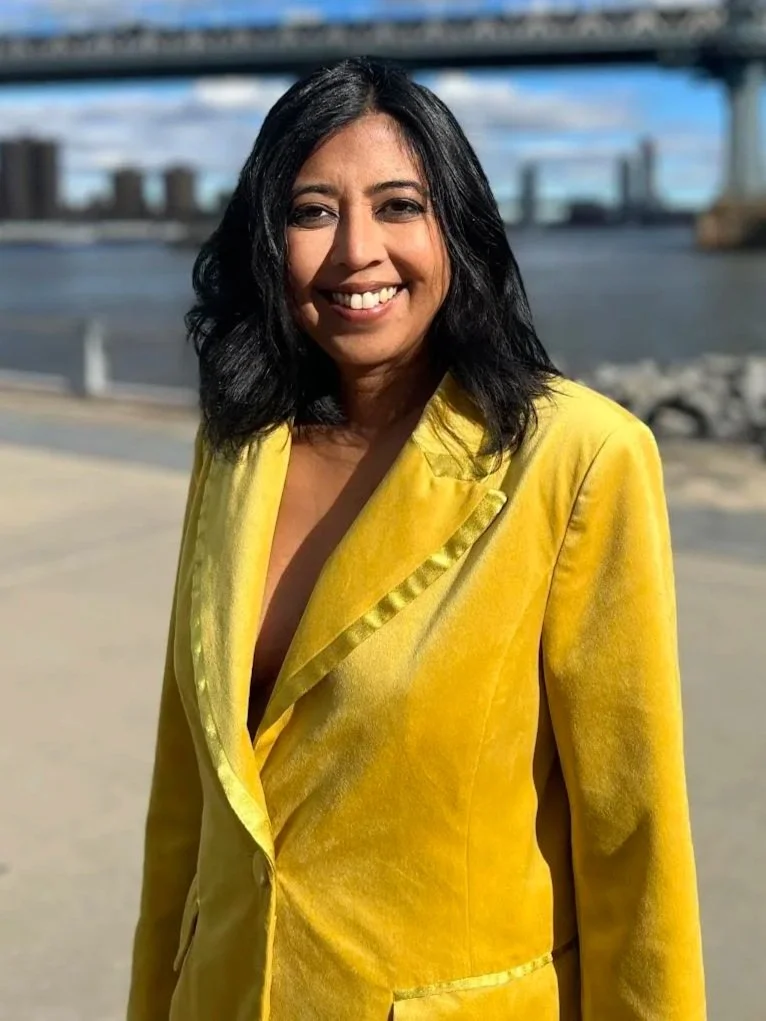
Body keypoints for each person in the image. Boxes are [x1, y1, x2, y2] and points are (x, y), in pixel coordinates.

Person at [127, 56, 706, 1021]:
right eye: (312, 212)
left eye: (399, 206)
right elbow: (183, 791)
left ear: (458, 229)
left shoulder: (578, 457)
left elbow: (632, 836)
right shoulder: (237, 447)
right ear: (267, 240)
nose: (358, 251)